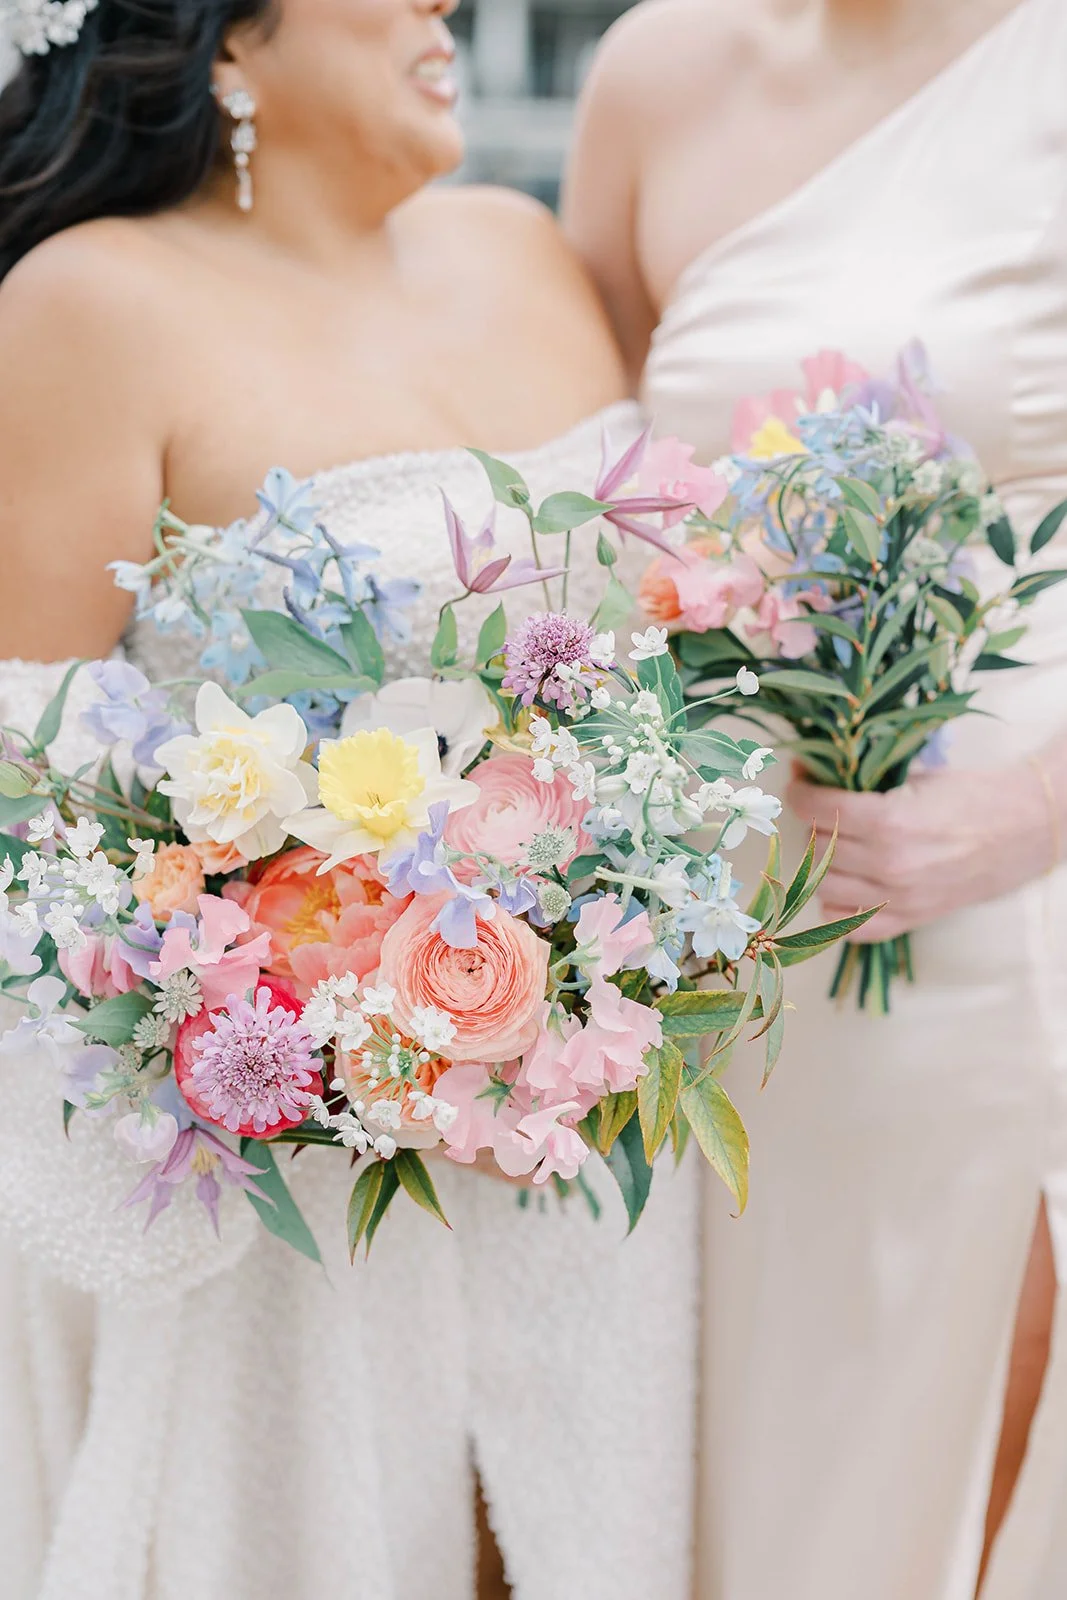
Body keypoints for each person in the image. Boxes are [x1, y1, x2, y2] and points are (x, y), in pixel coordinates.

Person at [0, 3, 699, 1597]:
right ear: (226, 46)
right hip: (289, 1174)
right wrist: (296, 1007)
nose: (441, 4)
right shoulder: (87, 305)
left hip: (581, 1122)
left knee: (585, 1530)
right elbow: (20, 771)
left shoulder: (523, 251)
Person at [564, 0, 1067, 1596]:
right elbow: (584, 467)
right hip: (723, 915)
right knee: (762, 1392)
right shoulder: (654, 69)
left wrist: (1029, 814)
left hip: (1013, 886)